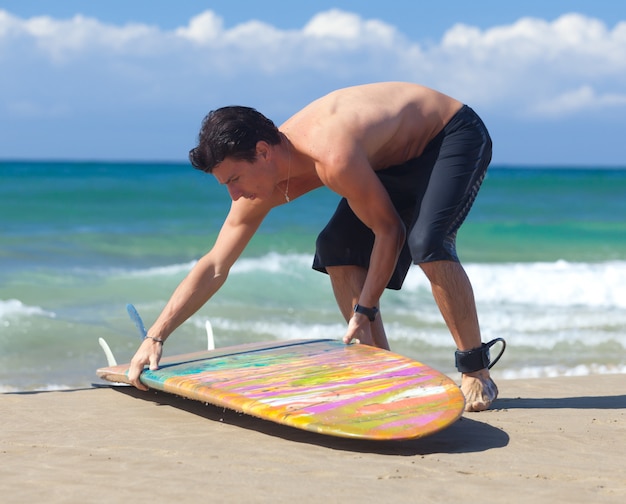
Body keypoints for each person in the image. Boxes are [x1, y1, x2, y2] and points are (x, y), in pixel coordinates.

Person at [128, 82, 502, 412]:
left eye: (236, 179)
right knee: (335, 246)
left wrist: (365, 307)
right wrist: (155, 336)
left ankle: (475, 370)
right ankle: (383, 366)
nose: (234, 193)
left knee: (427, 242)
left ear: (263, 151)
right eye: (226, 184)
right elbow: (215, 265)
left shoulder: (331, 155)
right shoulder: (259, 185)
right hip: (386, 157)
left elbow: (390, 232)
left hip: (449, 133)